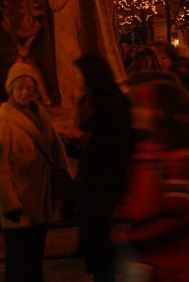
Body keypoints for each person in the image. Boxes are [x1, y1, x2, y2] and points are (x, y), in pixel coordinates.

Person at [0, 61, 70, 282]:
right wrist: (8, 203)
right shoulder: (2, 120)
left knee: (35, 260)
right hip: (19, 204)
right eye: (20, 88)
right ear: (11, 89)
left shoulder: (39, 112)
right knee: (19, 264)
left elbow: (54, 148)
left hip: (39, 199)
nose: (25, 93)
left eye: (30, 88)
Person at [111, 78, 189, 281]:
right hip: (148, 260)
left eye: (140, 106)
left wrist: (133, 234)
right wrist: (122, 218)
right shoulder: (145, 151)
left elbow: (177, 216)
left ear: (158, 112)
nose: (134, 111)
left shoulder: (179, 159)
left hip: (174, 265)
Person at [59, 52, 132, 282]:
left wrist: (83, 137)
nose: (77, 80)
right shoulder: (91, 105)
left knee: (107, 263)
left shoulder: (112, 106)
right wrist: (72, 142)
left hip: (107, 195)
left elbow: (117, 149)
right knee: (102, 263)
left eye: (80, 76)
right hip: (96, 194)